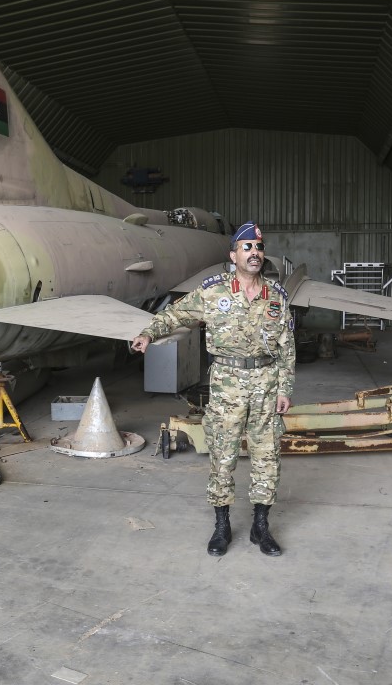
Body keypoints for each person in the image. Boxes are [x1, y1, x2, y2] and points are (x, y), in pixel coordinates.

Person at [131, 221, 296, 556]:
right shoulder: (213, 292)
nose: (254, 253)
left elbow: (286, 347)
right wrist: (148, 333)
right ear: (233, 255)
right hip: (226, 386)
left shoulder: (276, 297)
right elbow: (175, 315)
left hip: (266, 385)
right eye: (247, 248)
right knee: (222, 456)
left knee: (267, 457)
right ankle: (222, 527)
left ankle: (261, 527)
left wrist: (285, 389)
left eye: (259, 247)